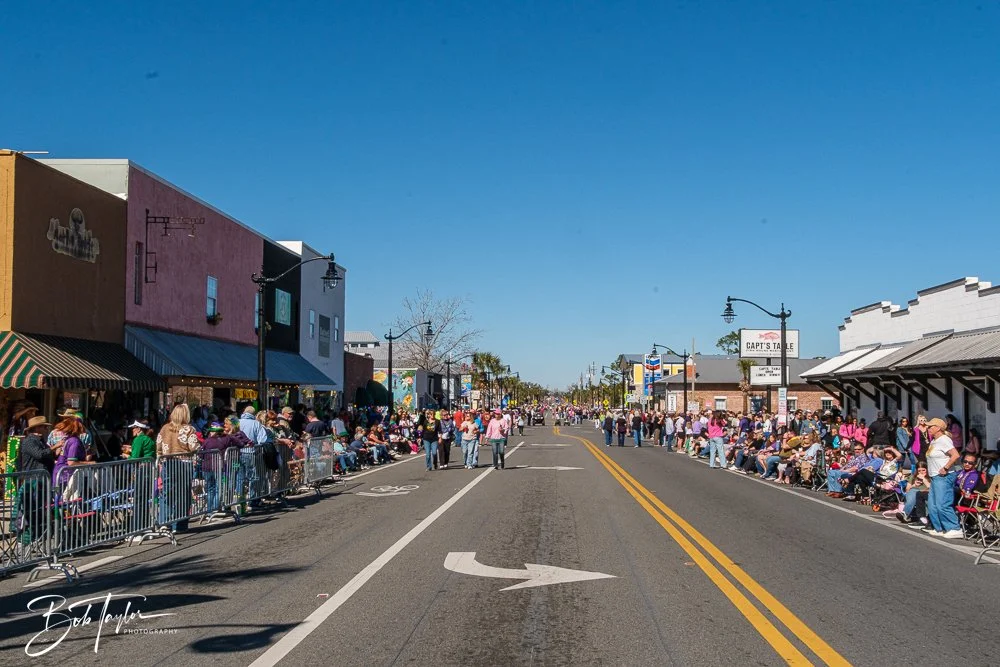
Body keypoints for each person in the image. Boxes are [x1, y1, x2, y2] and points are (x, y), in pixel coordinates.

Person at [155, 404, 201, 530]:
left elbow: (158, 446)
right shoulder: (189, 429)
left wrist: (160, 458)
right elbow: (193, 447)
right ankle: (180, 524)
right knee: (183, 494)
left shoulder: (165, 428)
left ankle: (164, 522)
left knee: (167, 493)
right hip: (184, 463)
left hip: (167, 462)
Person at [923, 417, 963, 538]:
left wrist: (946, 467)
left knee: (942, 503)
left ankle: (954, 527)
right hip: (935, 476)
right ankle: (939, 527)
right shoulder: (934, 441)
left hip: (944, 476)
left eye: (930, 426)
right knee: (932, 504)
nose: (928, 428)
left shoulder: (944, 440)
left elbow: (955, 455)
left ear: (938, 428)